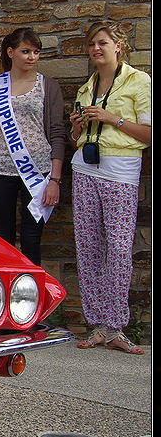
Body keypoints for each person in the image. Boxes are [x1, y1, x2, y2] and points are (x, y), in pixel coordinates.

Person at [68, 20, 151, 355]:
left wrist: (110, 118)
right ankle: (97, 325)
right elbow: (76, 140)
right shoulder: (86, 86)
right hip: (85, 168)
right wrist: (77, 128)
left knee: (117, 247)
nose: (96, 49)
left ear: (119, 45)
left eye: (102, 43)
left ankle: (117, 326)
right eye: (91, 45)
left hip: (120, 171)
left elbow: (148, 133)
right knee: (88, 247)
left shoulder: (138, 81)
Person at [0, 27, 66, 267]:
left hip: (39, 172)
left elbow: (57, 133)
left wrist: (55, 180)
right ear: (11, 52)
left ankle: (31, 295)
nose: (32, 57)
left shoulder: (49, 86)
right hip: (0, 171)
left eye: (36, 52)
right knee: (2, 238)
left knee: (32, 238)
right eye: (26, 51)